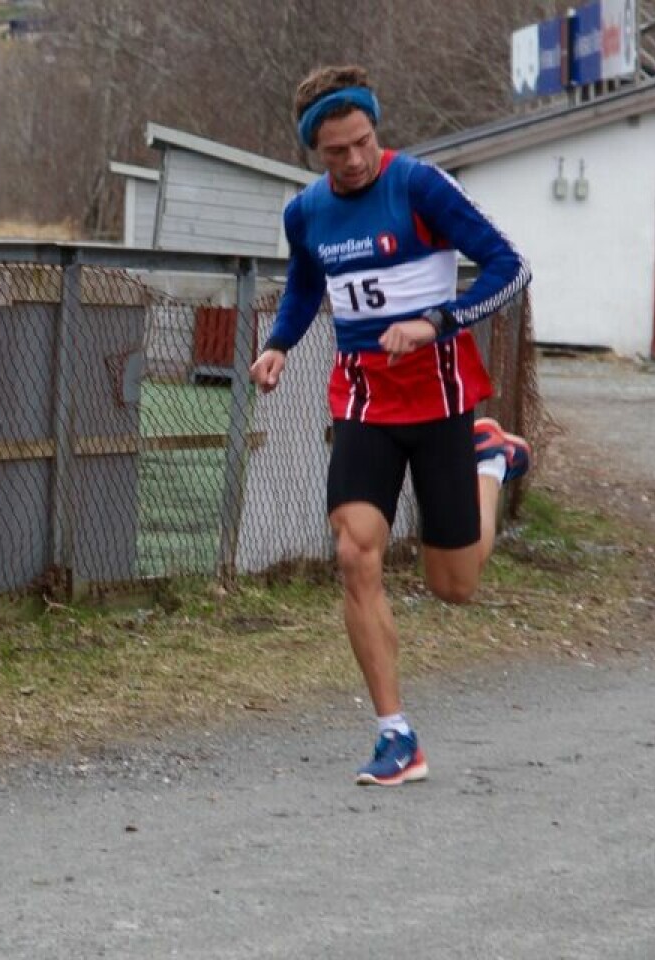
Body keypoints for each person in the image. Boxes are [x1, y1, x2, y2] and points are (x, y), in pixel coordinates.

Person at [249, 65, 533, 787]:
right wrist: (281, 343)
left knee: (454, 586)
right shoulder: (306, 212)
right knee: (355, 553)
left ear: (377, 130)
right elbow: (308, 283)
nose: (353, 160)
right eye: (335, 150)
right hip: (363, 404)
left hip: (440, 403)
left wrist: (436, 320)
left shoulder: (419, 187)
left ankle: (491, 461)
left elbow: (511, 267)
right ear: (314, 152)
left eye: (362, 142)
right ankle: (395, 733)